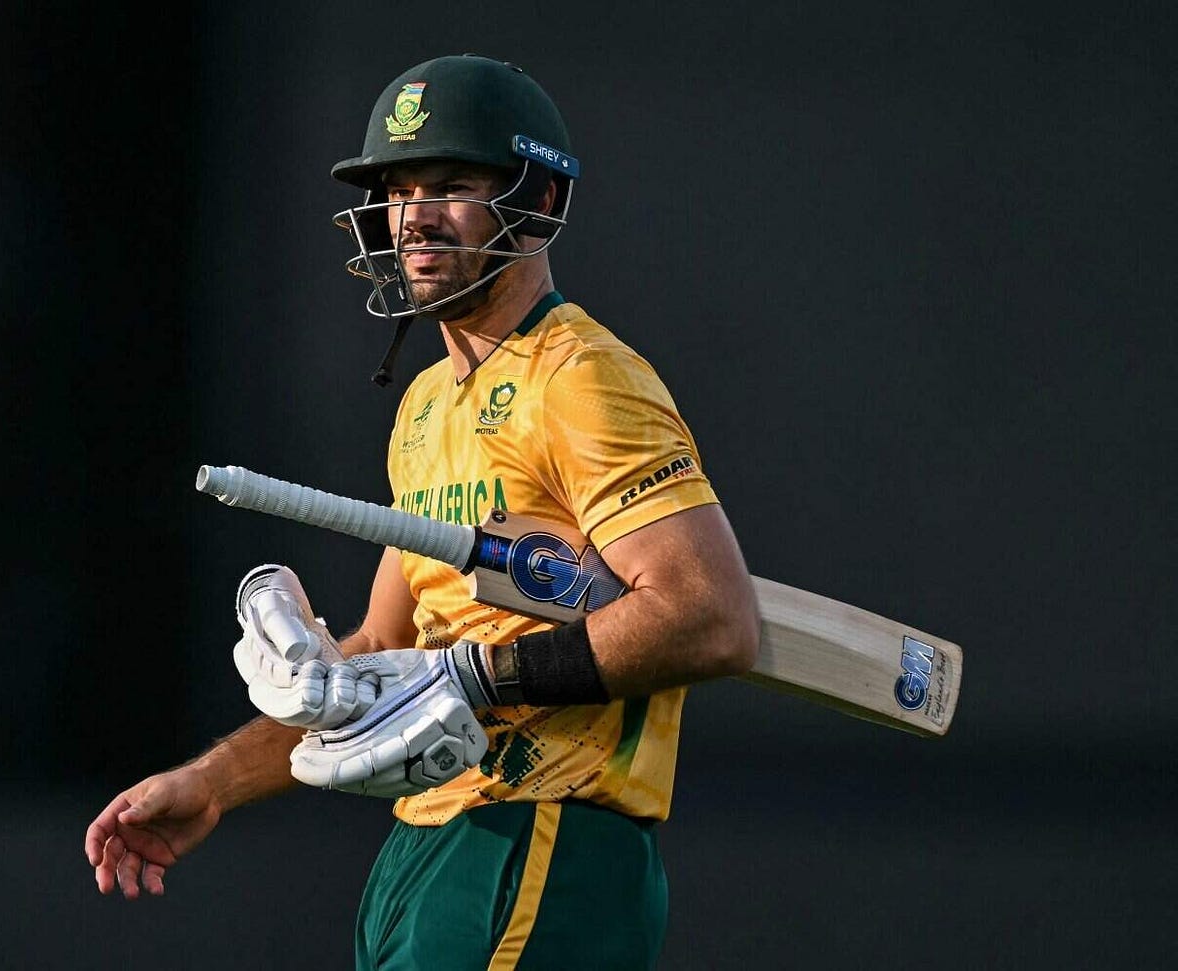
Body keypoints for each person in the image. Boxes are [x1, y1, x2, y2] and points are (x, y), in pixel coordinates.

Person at [85, 54, 760, 970]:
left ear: (540, 199)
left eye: (452, 185)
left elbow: (708, 614)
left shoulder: (583, 378)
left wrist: (475, 676)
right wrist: (213, 781)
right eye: (400, 191)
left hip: (542, 836)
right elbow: (379, 653)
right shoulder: (425, 406)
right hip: (426, 846)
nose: (415, 216)